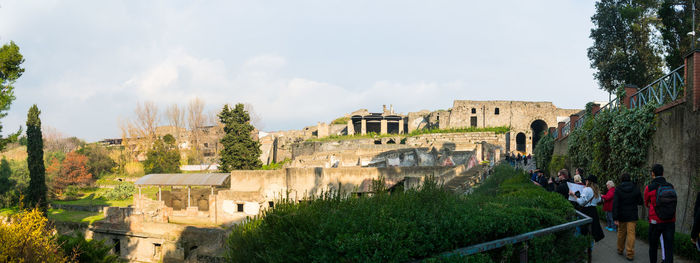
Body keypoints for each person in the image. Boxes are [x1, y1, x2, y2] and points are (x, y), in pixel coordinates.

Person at [644, 164, 675, 263]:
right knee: (669, 247)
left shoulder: (649, 187)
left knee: (653, 246)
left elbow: (646, 203)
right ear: (663, 173)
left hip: (655, 221)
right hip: (670, 220)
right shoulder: (670, 186)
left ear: (653, 173)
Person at [613, 173, 643, 261]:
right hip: (632, 215)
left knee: (621, 233)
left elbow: (615, 204)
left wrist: (615, 217)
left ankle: (620, 249)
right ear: (629, 179)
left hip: (621, 215)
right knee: (631, 234)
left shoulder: (618, 189)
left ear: (621, 179)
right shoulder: (635, 188)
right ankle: (630, 254)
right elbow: (640, 201)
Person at [570, 175, 605, 242]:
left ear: (589, 182)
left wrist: (574, 195)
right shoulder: (597, 190)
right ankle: (590, 248)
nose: (585, 181)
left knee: (583, 230)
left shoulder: (586, 189)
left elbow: (581, 202)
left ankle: (583, 246)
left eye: (586, 180)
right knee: (592, 231)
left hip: (585, 211)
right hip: (594, 211)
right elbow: (598, 201)